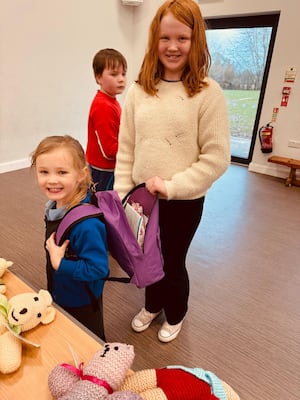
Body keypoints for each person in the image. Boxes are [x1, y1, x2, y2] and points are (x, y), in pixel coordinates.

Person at [114, 0, 230, 343]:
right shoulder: (138, 90)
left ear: (196, 42)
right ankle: (152, 305)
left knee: (173, 261)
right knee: (146, 257)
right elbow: (126, 148)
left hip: (183, 200)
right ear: (155, 40)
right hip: (141, 199)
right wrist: (123, 193)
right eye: (166, 38)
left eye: (183, 38)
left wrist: (172, 185)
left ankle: (175, 312)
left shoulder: (209, 93)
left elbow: (216, 157)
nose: (173, 46)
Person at [31, 135, 109, 341]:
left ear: (82, 174)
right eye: (44, 172)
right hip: (62, 289)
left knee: (88, 342)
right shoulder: (58, 206)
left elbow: (99, 269)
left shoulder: (86, 225)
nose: (52, 180)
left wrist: (60, 264)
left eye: (62, 172)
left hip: (82, 301)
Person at [86, 48, 127, 191]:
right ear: (98, 78)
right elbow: (109, 150)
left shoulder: (111, 101)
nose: (121, 79)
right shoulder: (104, 106)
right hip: (104, 170)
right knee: (105, 205)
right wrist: (133, 148)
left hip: (108, 168)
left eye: (123, 74)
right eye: (114, 74)